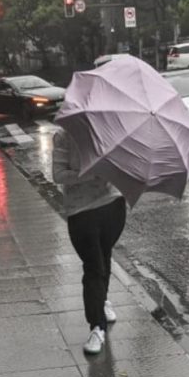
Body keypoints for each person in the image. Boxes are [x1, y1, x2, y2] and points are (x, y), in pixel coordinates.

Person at [52, 128, 127, 354]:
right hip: (81, 210)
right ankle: (97, 327)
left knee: (104, 257)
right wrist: (90, 173)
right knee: (94, 267)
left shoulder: (111, 132)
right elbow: (58, 175)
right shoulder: (64, 136)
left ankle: (102, 301)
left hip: (112, 205)